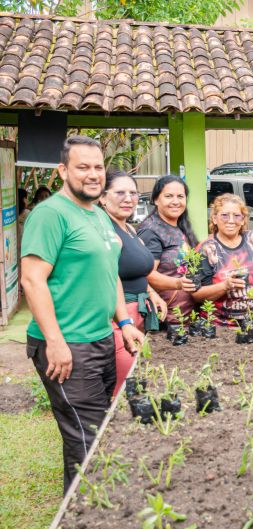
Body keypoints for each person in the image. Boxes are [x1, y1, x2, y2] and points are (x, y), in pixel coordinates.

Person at [20, 135, 144, 492]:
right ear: (63, 171)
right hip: (68, 345)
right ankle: (87, 509)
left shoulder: (98, 215)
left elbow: (110, 273)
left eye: (98, 167)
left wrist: (123, 322)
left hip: (101, 338)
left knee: (94, 432)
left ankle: (86, 503)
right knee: (89, 439)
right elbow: (32, 280)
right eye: (83, 167)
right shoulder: (50, 214)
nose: (93, 174)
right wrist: (55, 342)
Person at [99, 171, 168, 395]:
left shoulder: (128, 228)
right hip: (118, 317)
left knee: (140, 376)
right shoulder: (105, 232)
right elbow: (110, 277)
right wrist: (123, 321)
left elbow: (137, 270)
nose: (128, 198)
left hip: (137, 313)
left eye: (133, 193)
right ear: (102, 197)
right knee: (126, 380)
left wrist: (152, 293)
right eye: (120, 192)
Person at [193, 193, 253, 326]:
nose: (231, 220)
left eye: (237, 216)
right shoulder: (207, 249)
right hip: (219, 326)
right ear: (214, 219)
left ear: (243, 220)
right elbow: (196, 295)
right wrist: (224, 286)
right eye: (224, 215)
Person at [137, 175, 199, 323]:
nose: (175, 201)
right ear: (156, 200)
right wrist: (178, 283)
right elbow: (147, 274)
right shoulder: (151, 231)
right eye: (169, 196)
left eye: (180, 196)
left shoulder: (180, 226)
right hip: (166, 318)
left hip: (186, 316)